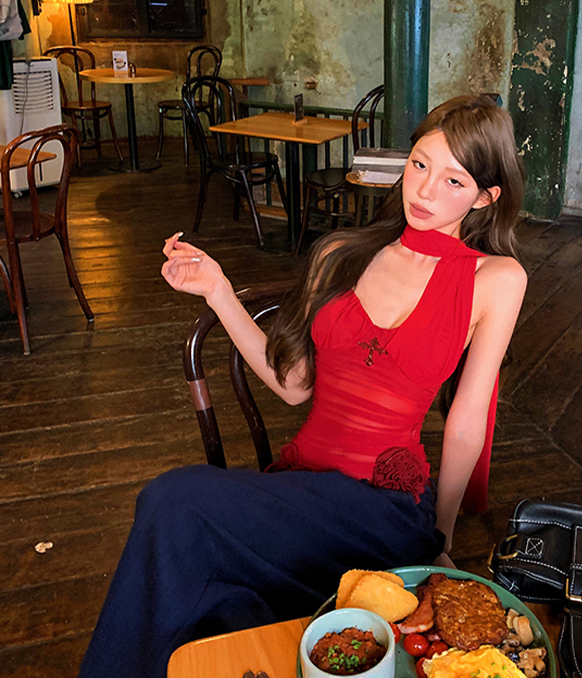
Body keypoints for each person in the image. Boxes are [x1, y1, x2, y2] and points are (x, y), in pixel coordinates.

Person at [77, 94, 528, 678]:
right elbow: (292, 386)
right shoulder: (341, 252)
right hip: (300, 488)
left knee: (173, 503)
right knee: (193, 560)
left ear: (485, 197)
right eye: (419, 165)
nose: (423, 191)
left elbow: (466, 422)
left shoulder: (496, 279)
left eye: (453, 180)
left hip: (384, 508)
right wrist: (218, 291)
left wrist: (439, 539)